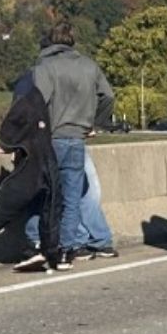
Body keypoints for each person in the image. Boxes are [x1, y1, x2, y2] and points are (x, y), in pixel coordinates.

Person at [14, 22, 118, 271]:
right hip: (76, 138)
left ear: (51, 41)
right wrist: (96, 122)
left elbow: (36, 100)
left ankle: (38, 243)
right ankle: (65, 252)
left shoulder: (45, 67)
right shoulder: (88, 65)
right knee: (72, 198)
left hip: (50, 139)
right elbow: (108, 95)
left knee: (42, 193)